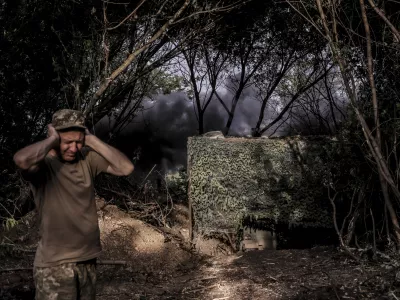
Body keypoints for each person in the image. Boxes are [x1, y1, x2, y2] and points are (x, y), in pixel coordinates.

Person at [13, 109, 134, 300]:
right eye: (67, 142)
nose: (74, 148)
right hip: (55, 265)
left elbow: (126, 168)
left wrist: (92, 140)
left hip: (87, 259)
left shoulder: (87, 159)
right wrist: (52, 140)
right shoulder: (43, 164)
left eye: (78, 142)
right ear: (54, 137)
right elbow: (22, 160)